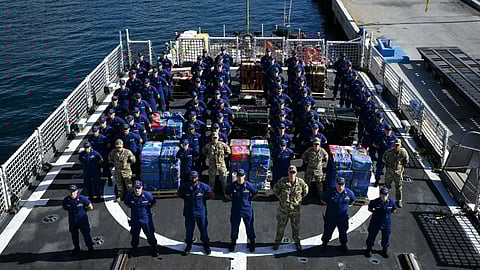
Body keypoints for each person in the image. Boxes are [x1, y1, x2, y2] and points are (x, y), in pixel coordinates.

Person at [177, 171, 215, 255]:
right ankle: (188, 245)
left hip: (200, 213)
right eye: (192, 177)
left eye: (195, 177)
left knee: (203, 230)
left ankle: (206, 245)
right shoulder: (184, 186)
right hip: (189, 212)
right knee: (189, 230)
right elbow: (179, 194)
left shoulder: (204, 187)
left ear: (198, 177)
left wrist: (204, 199)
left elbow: (212, 195)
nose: (193, 179)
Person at [272, 165, 309, 251]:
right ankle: (277, 242)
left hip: (295, 211)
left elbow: (305, 191)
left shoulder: (301, 183)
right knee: (280, 228)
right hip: (283, 211)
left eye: (293, 172)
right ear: (288, 172)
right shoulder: (282, 182)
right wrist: (281, 198)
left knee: (296, 229)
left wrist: (299, 199)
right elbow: (275, 190)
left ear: (296, 173)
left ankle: (297, 242)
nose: (292, 174)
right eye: (290, 172)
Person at [224, 169, 258, 252]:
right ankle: (233, 242)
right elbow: (226, 194)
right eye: (238, 176)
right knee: (234, 227)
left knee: (249, 226)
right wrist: (232, 200)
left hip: (246, 209)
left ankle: (252, 242)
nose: (240, 178)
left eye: (241, 176)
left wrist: (249, 200)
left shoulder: (248, 185)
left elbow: (255, 193)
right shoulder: (232, 186)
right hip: (236, 210)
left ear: (244, 176)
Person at [320, 177, 356, 254]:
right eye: (339, 185)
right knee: (328, 231)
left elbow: (352, 201)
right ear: (336, 184)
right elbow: (323, 199)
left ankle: (343, 244)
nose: (340, 187)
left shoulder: (349, 193)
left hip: (343, 218)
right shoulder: (329, 192)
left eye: (342, 185)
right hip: (331, 217)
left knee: (343, 232)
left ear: (344, 185)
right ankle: (324, 244)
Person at [124, 180, 158, 257]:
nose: (137, 190)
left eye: (139, 188)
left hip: (146, 219)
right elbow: (127, 203)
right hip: (135, 219)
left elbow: (154, 202)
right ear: (133, 188)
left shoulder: (147, 195)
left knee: (150, 234)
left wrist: (148, 209)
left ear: (142, 187)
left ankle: (154, 248)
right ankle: (134, 248)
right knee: (134, 234)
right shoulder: (129, 196)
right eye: (135, 188)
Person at [62, 184, 94, 257]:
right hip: (72, 220)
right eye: (70, 191)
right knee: (74, 235)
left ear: (77, 191)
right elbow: (64, 207)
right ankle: (76, 248)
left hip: (82, 220)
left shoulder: (82, 198)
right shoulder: (66, 200)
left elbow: (90, 207)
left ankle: (90, 248)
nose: (72, 193)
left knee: (86, 234)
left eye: (73, 191)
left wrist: (84, 210)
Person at [364, 187, 397, 258]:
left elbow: (394, 210)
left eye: (386, 194)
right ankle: (369, 249)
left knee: (386, 236)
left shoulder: (391, 202)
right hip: (375, 221)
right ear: (380, 194)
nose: (384, 196)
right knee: (371, 236)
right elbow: (370, 208)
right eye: (383, 194)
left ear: (388, 194)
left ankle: (385, 249)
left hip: (386, 222)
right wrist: (375, 212)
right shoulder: (375, 202)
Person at [382, 138, 409, 208]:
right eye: (395, 145)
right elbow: (384, 159)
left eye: (398, 145)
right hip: (389, 172)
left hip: (398, 172)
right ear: (393, 145)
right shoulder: (389, 152)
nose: (396, 146)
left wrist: (400, 167)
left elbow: (406, 161)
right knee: (386, 186)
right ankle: (384, 200)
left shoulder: (403, 152)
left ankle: (399, 200)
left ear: (400, 145)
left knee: (398, 187)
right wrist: (389, 166)